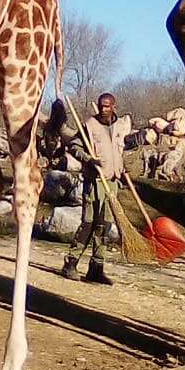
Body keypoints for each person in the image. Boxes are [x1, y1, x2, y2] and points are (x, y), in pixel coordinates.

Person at [61, 91, 127, 285]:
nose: (103, 109)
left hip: (112, 182)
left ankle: (96, 268)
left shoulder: (119, 126)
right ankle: (70, 263)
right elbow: (73, 146)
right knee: (89, 223)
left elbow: (119, 150)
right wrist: (90, 159)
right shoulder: (89, 126)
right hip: (94, 181)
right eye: (101, 105)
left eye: (107, 106)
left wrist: (123, 168)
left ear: (114, 106)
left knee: (104, 226)